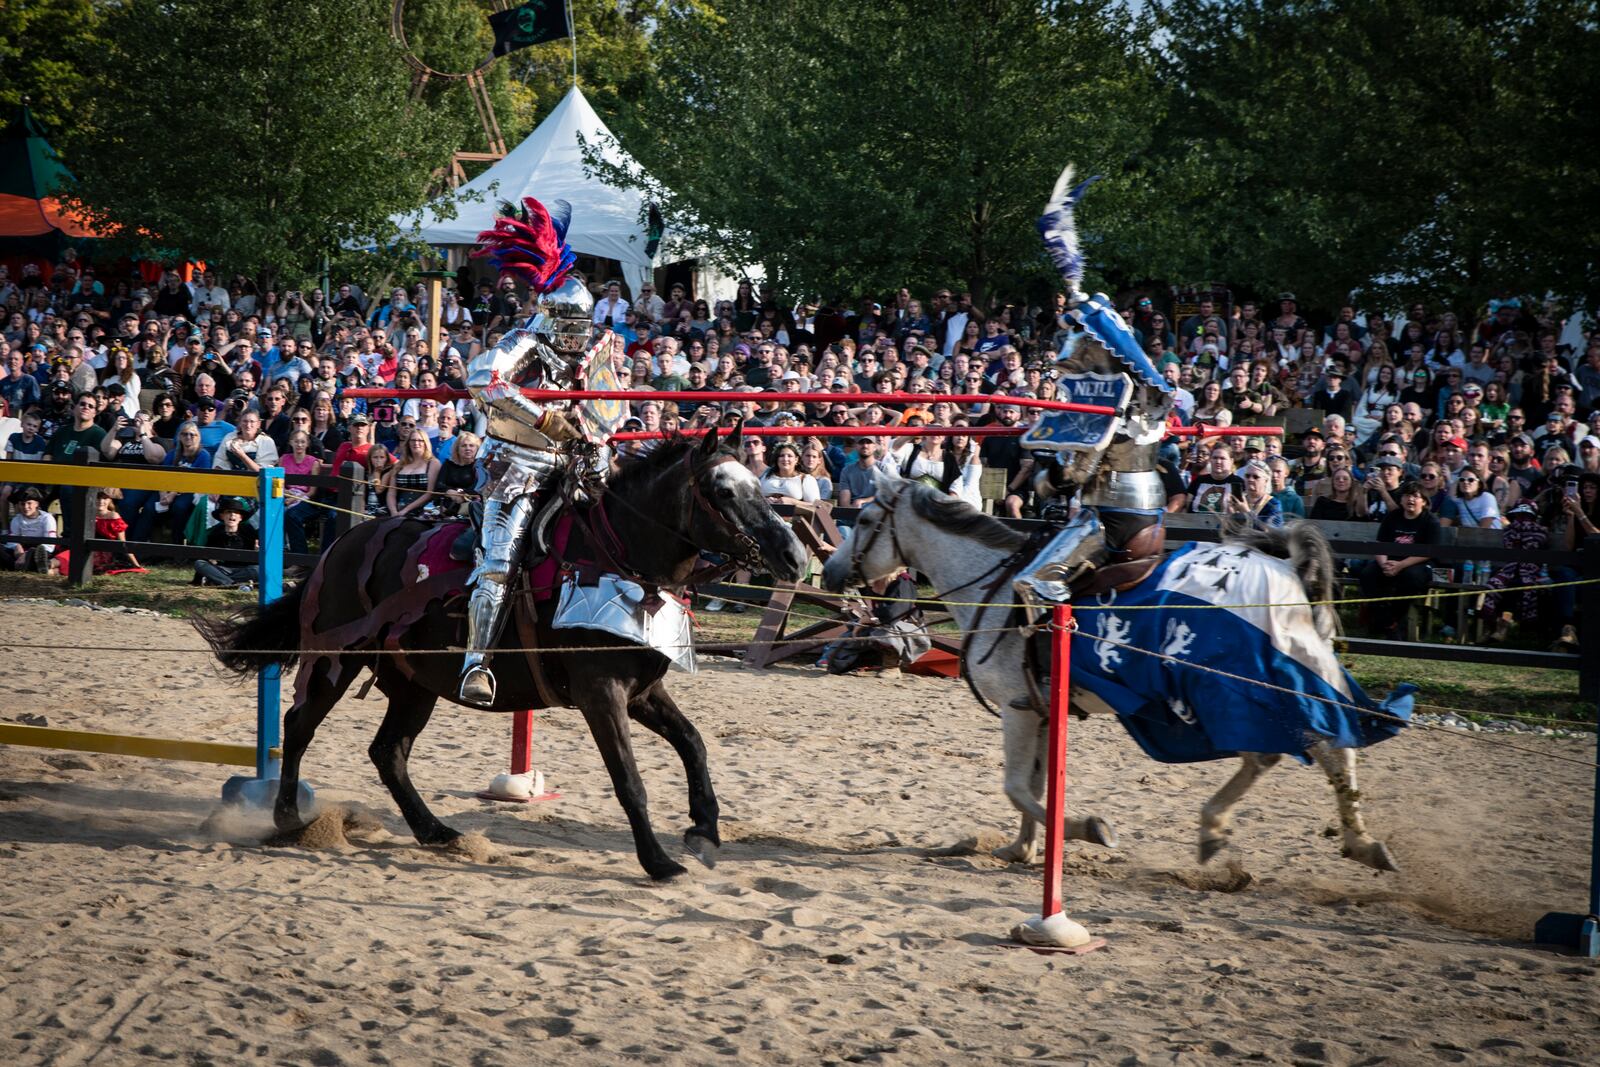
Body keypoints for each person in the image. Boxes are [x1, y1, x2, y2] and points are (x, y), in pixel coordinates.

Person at [459, 197, 612, 706]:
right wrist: (545, 417)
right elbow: (483, 378)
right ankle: (475, 663)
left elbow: (602, 406)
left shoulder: (589, 354)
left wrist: (597, 442)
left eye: (583, 327)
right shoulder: (526, 339)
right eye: (570, 327)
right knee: (500, 561)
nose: (577, 337)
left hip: (571, 465)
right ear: (553, 318)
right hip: (516, 467)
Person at [1359, 479, 1439, 638]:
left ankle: (1390, 621)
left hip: (1417, 562)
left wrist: (1401, 565)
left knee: (1411, 578)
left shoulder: (1430, 521)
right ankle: (1386, 622)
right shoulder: (1392, 517)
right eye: (1407, 496)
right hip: (1389, 561)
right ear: (1401, 499)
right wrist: (1384, 565)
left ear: (1423, 501)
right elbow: (1380, 544)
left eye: (1416, 496)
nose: (1411, 500)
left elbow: (1429, 551)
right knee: (1368, 574)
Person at [193, 496, 258, 588]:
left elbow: (255, 559)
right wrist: (211, 559)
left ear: (241, 517)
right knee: (199, 564)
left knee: (258, 570)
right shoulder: (215, 532)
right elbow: (207, 555)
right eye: (228, 512)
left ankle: (219, 581)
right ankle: (233, 584)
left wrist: (256, 551)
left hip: (244, 569)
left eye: (236, 512)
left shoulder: (249, 532)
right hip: (222, 569)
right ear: (222, 516)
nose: (232, 515)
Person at [387, 431, 441, 518]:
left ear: (425, 443)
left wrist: (406, 510)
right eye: (413, 440)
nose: (416, 443)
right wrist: (393, 512)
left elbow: (429, 493)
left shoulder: (433, 463)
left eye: (420, 440)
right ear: (408, 443)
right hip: (398, 510)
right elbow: (391, 492)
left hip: (422, 511)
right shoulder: (399, 465)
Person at [3, 486, 56, 572]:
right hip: (20, 552)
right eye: (22, 504)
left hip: (39, 551)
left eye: (29, 503)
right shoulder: (17, 519)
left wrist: (27, 554)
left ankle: (25, 565)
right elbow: (12, 540)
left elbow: (49, 545)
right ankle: (18, 565)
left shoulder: (47, 519)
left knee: (35, 555)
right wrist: (18, 549)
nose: (26, 507)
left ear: (37, 504)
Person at [1228, 458, 1284, 527]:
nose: (1250, 480)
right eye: (1247, 476)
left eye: (1255, 477)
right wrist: (1231, 515)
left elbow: (1271, 532)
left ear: (1266, 481)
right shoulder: (1240, 501)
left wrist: (1246, 512)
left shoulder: (1273, 504)